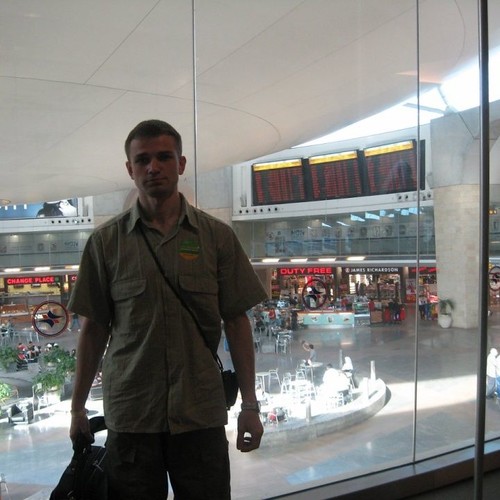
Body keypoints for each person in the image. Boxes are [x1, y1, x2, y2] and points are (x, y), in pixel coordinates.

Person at [68, 119, 268, 500]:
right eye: (142, 160)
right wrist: (78, 408)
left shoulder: (217, 238)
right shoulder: (105, 243)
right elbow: (93, 329)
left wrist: (250, 405)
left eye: (163, 157)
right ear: (130, 169)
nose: (153, 167)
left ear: (181, 163)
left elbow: (236, 321)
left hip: (200, 413)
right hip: (132, 417)